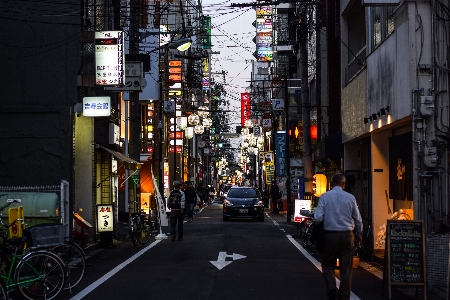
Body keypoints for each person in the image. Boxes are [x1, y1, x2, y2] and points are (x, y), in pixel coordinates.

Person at [313, 173, 362, 300]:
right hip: (347, 236)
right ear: (343, 184)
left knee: (328, 265)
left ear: (331, 183)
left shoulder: (325, 197)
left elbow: (317, 218)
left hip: (330, 236)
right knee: (346, 268)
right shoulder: (351, 198)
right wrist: (358, 235)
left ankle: (331, 290)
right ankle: (344, 296)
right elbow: (358, 219)